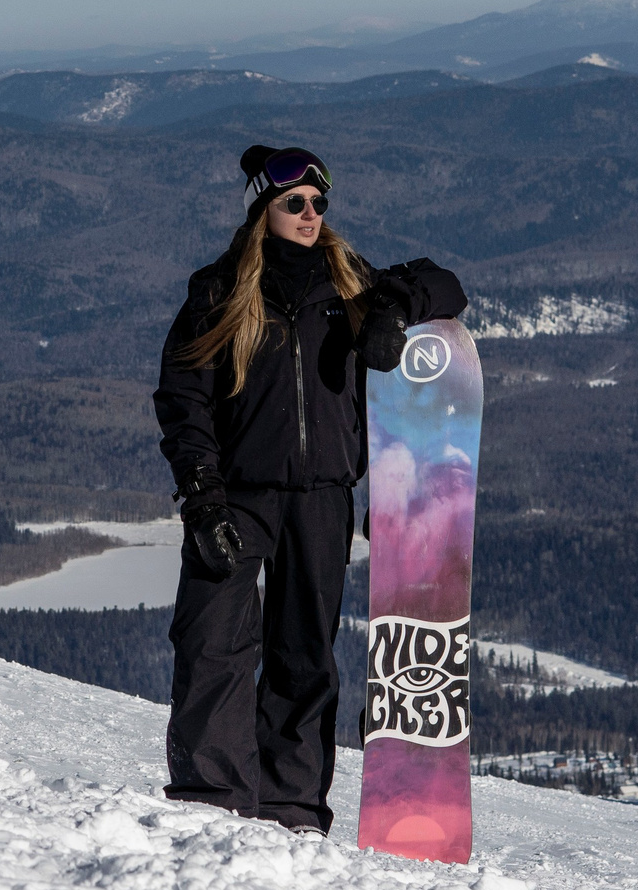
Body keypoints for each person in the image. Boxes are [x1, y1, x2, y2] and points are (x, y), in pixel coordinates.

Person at [152, 144, 466, 835]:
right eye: (294, 202)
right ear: (261, 210)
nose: (310, 213)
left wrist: (392, 309)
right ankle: (210, 798)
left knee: (304, 655)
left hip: (322, 498)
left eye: (319, 202)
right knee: (212, 643)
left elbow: (447, 286)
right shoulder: (218, 292)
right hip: (235, 496)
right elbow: (183, 400)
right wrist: (201, 495)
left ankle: (292, 808)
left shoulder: (350, 285)